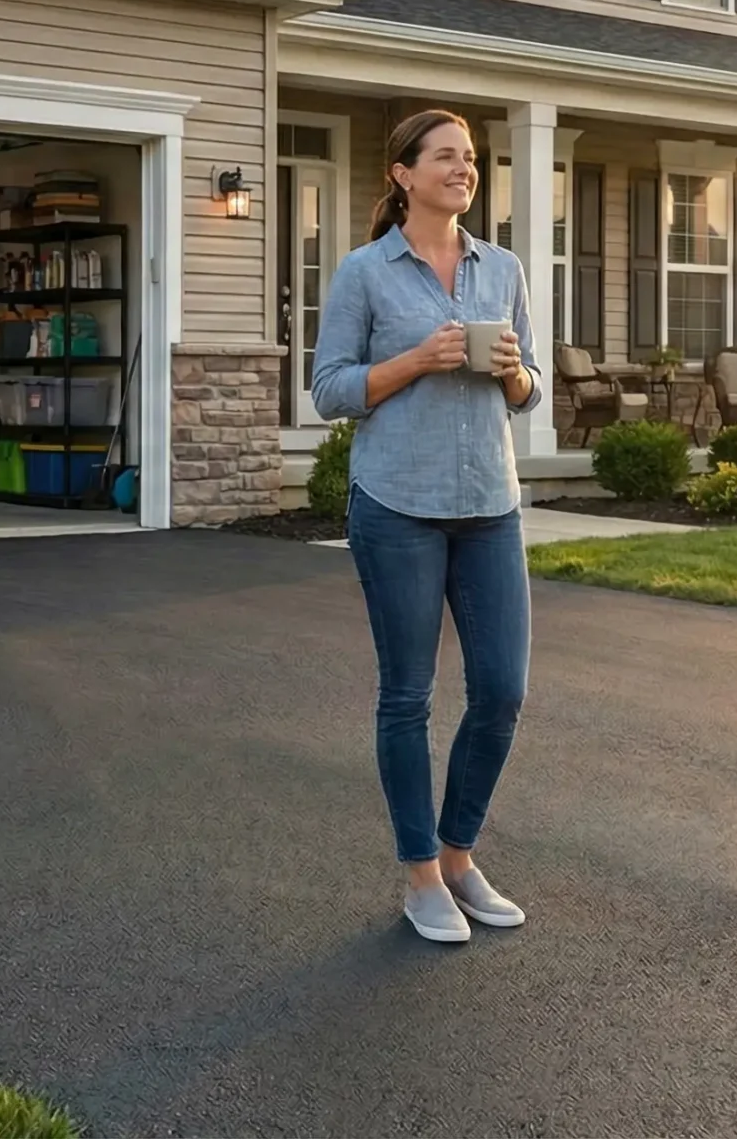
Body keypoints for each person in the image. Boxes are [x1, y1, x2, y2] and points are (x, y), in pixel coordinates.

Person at [311, 109, 543, 944]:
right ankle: (418, 877)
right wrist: (417, 360)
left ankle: (458, 856)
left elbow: (531, 390)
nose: (463, 169)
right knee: (407, 697)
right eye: (446, 156)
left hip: (490, 505)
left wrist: (517, 376)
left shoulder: (503, 266)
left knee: (502, 693)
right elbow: (330, 389)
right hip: (398, 506)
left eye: (471, 158)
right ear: (403, 175)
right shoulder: (366, 273)